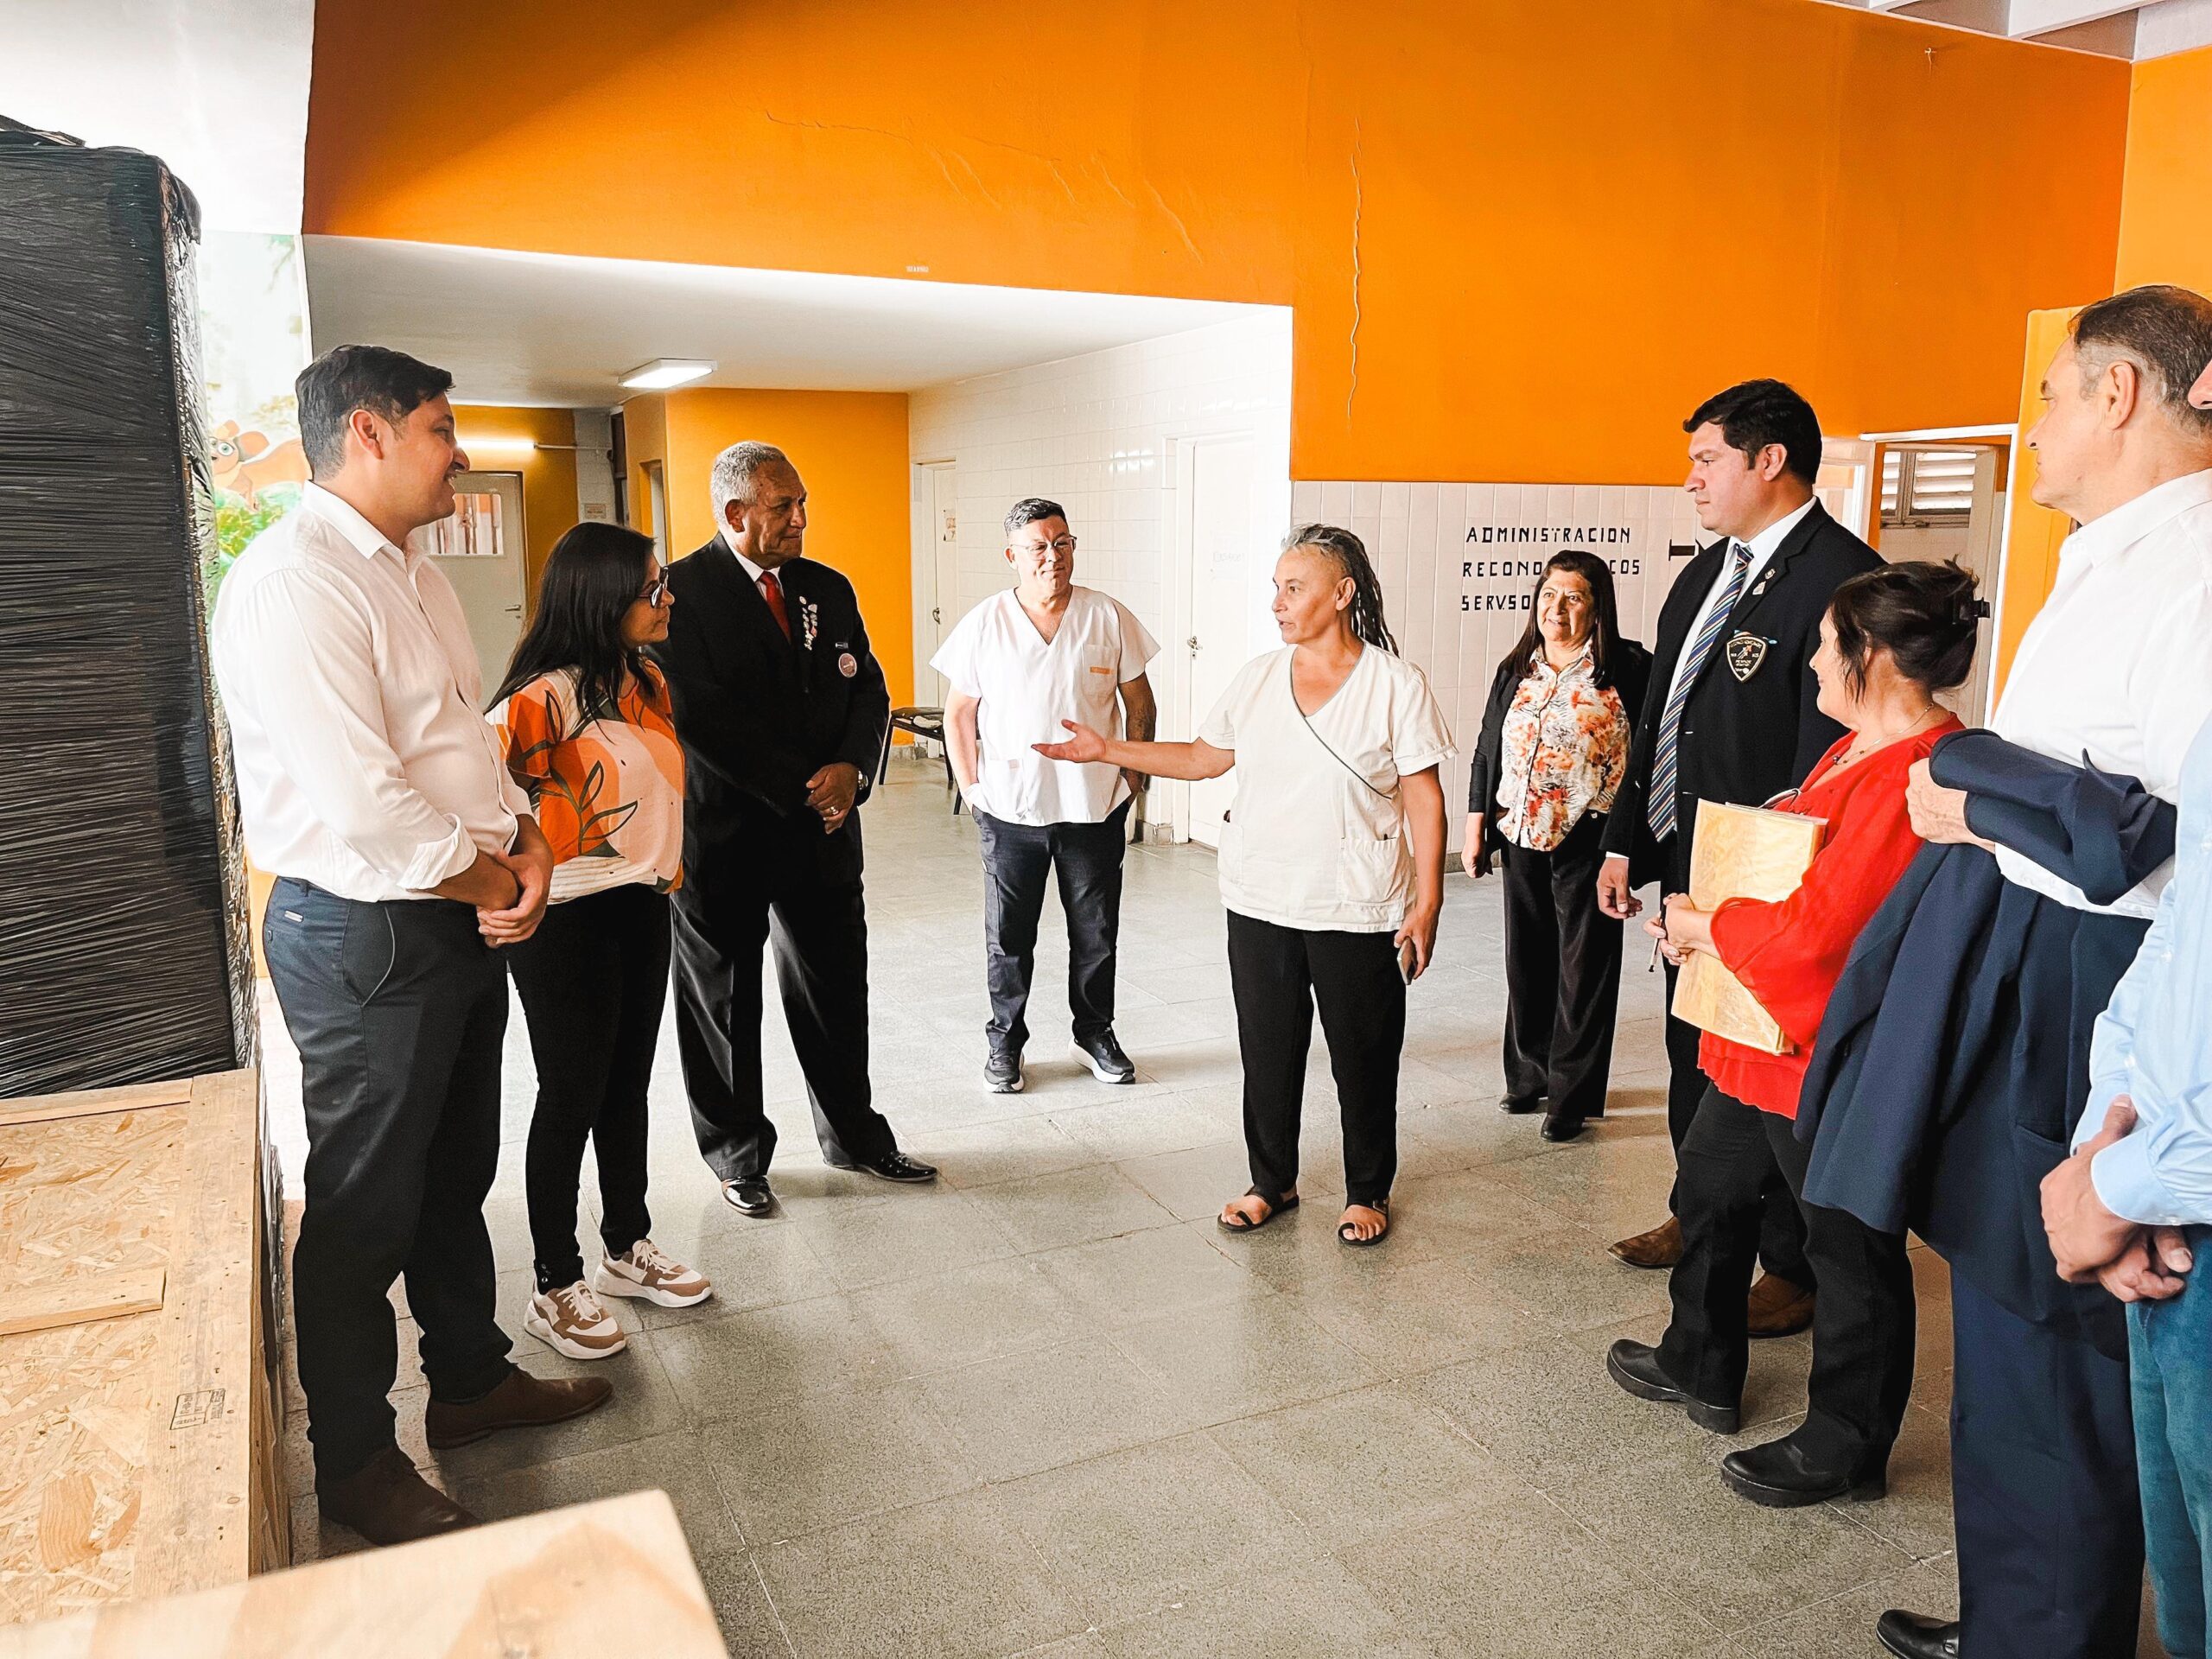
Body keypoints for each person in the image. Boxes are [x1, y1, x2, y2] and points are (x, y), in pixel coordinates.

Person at [1794, 286, 2212, 1659]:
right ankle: (2015, 1617)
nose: (2034, 424)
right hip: (2039, 966)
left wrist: (1976, 801)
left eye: (2049, 393)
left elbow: (2168, 848)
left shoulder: (2195, 570)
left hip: (2103, 984)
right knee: (2006, 1313)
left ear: (2120, 394)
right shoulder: (2108, 556)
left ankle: (2048, 1634)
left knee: (2061, 1325)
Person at [211, 345, 609, 1547]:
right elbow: (365, 803)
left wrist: (528, 840)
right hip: (366, 933)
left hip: (450, 914)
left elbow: (464, 745)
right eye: (442, 428)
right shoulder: (296, 583)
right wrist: (499, 880)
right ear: (370, 434)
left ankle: (471, 1381)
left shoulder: (414, 574)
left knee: (450, 1174)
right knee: (360, 1205)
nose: (461, 453)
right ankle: (354, 1463)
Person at [1606, 563, 1974, 1515]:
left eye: (1825, 646)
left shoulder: (1921, 772)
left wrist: (1704, 928)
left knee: (1847, 1247)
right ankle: (1699, 1358)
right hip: (1758, 1030)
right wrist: (1706, 919)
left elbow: (1821, 937)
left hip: (1826, 1052)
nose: (1811, 663)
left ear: (1874, 657)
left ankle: (1846, 1442)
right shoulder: (1855, 748)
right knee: (1711, 1187)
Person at [1036, 524, 1450, 1247]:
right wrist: (1107, 748)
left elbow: (1424, 797)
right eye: (1276, 588)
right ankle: (1272, 1182)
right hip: (1261, 897)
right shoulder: (1259, 676)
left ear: (1342, 594)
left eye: (1294, 588)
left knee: (1363, 1056)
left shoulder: (1394, 684)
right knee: (1267, 1051)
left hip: (1356, 902)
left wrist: (1430, 902)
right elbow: (1203, 758)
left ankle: (1367, 1190)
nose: (1277, 602)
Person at [1596, 379, 1881, 1343]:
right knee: (1697, 1046)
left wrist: (1779, 893)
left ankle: (1791, 1266)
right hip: (1694, 861)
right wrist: (1627, 840)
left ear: (1769, 460)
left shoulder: (1843, 577)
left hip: (1773, 878)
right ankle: (1701, 1210)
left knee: (1770, 1069)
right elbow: (1661, 717)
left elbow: (1826, 756)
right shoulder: (1707, 572)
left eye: (1707, 459)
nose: (1691, 479)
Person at [652, 441, 936, 1219]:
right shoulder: (681, 593)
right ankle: (737, 1155)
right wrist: (802, 788)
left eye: (802, 503)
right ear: (735, 512)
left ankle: (855, 1135)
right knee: (724, 1000)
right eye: (785, 507)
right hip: (726, 834)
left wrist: (852, 770)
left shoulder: (826, 587)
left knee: (836, 988)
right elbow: (699, 716)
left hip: (825, 832)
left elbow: (866, 687)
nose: (802, 519)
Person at [488, 524, 713, 1361]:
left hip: (640, 901)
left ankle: (627, 1245)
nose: (667, 598)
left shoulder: (643, 679)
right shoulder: (538, 699)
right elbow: (483, 800)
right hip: (564, 915)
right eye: (652, 588)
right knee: (570, 1093)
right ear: (602, 596)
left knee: (626, 1086)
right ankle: (554, 1283)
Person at [2044, 712, 2212, 1659]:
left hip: (2173, 1191)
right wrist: (2106, 1151)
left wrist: (2116, 1191)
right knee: (2186, 1598)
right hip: (2169, 1218)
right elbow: (2183, 929)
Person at [933, 498, 1160, 1094]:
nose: (1052, 557)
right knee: (1009, 938)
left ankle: (1094, 1033)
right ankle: (1005, 1043)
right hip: (1010, 809)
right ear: (1012, 555)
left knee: (1096, 932)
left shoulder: (1106, 615)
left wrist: (1133, 777)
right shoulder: (985, 622)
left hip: (1093, 806)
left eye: (1062, 543)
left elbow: (1140, 702)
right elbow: (959, 713)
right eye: (1037, 546)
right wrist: (973, 789)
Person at [1465, 550, 1650, 1142]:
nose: (1557, 609)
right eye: (1549, 595)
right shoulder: (1516, 668)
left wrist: (1630, 846)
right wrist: (1476, 824)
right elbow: (1487, 748)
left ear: (1597, 607)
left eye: (1573, 597)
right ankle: (1529, 1075)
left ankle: (1572, 1096)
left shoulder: (1628, 668)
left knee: (1583, 970)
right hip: (1520, 831)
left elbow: (1647, 760)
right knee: (1527, 962)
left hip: (1590, 836)